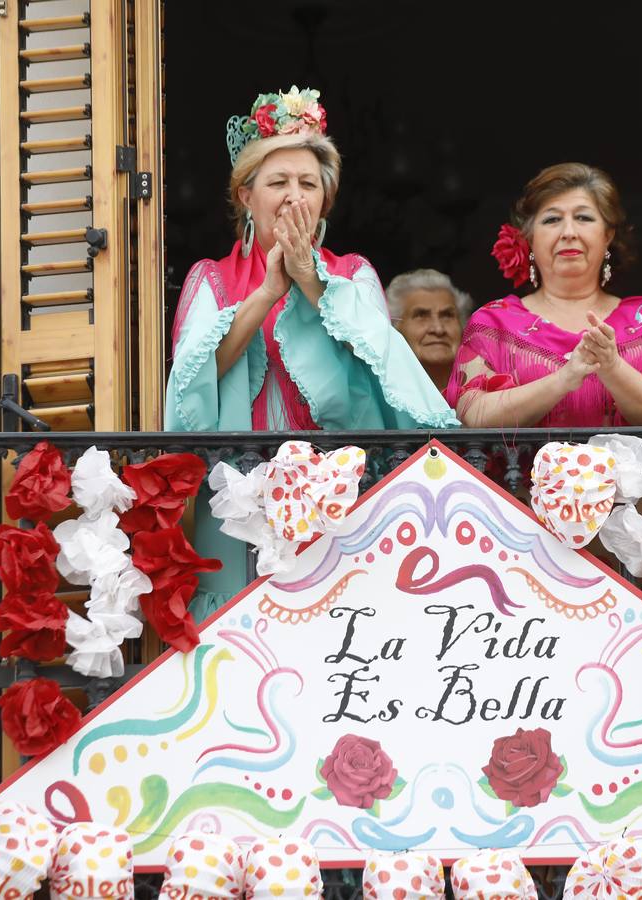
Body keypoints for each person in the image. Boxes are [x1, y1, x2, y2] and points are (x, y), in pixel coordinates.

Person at [165, 86, 457, 616]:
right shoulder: (212, 278)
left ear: (325, 199)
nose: (295, 195)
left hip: (341, 496)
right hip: (239, 498)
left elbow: (384, 372)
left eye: (308, 183)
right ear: (245, 197)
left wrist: (312, 282)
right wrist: (269, 292)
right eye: (278, 182)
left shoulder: (354, 274)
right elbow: (191, 385)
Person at [447, 163, 642, 428]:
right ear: (529, 237)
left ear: (607, 235)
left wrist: (612, 366)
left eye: (584, 218)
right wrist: (564, 378)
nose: (568, 232)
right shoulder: (494, 322)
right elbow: (472, 417)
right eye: (552, 219)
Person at [386, 268, 471, 393]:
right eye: (421, 315)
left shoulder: (488, 393)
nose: (438, 329)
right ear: (395, 327)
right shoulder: (379, 400)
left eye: (447, 315)